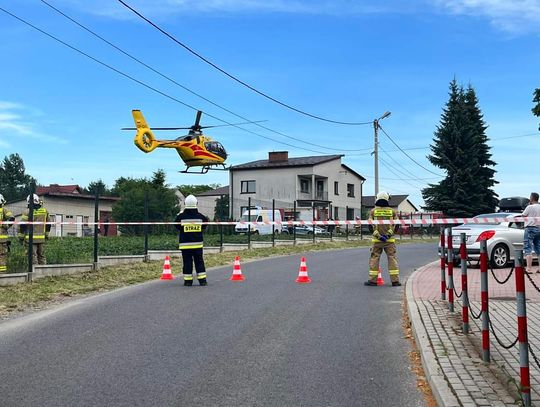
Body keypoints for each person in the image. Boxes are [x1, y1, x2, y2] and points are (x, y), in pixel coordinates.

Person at [365, 191, 401, 286]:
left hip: (377, 241)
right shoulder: (392, 211)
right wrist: (388, 235)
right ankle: (395, 281)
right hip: (389, 240)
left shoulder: (373, 211)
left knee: (375, 258)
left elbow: (370, 225)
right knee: (392, 258)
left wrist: (378, 236)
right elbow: (397, 225)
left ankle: (373, 281)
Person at [175, 195, 209, 286]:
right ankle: (202, 281)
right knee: (199, 261)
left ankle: (188, 281)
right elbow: (205, 225)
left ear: (185, 204)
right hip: (198, 245)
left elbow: (177, 226)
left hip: (185, 245)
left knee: (187, 262)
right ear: (196, 204)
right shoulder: (201, 217)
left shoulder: (180, 217)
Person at [18, 194, 51, 265]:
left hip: (30, 239)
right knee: (42, 256)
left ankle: (34, 273)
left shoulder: (27, 212)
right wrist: (46, 234)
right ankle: (43, 272)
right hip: (41, 238)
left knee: (32, 256)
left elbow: (22, 225)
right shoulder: (44, 211)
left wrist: (21, 237)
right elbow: (49, 223)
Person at [521, 192, 540, 274]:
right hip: (539, 228)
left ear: (531, 198)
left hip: (530, 228)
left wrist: (529, 205)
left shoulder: (530, 207)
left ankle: (528, 268)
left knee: (528, 248)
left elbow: (523, 215)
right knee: (538, 249)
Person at [0, 193, 15, 273]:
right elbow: (12, 218)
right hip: (2, 239)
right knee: (2, 255)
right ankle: (2, 273)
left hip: (2, 239)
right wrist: (6, 225)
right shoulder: (4, 210)